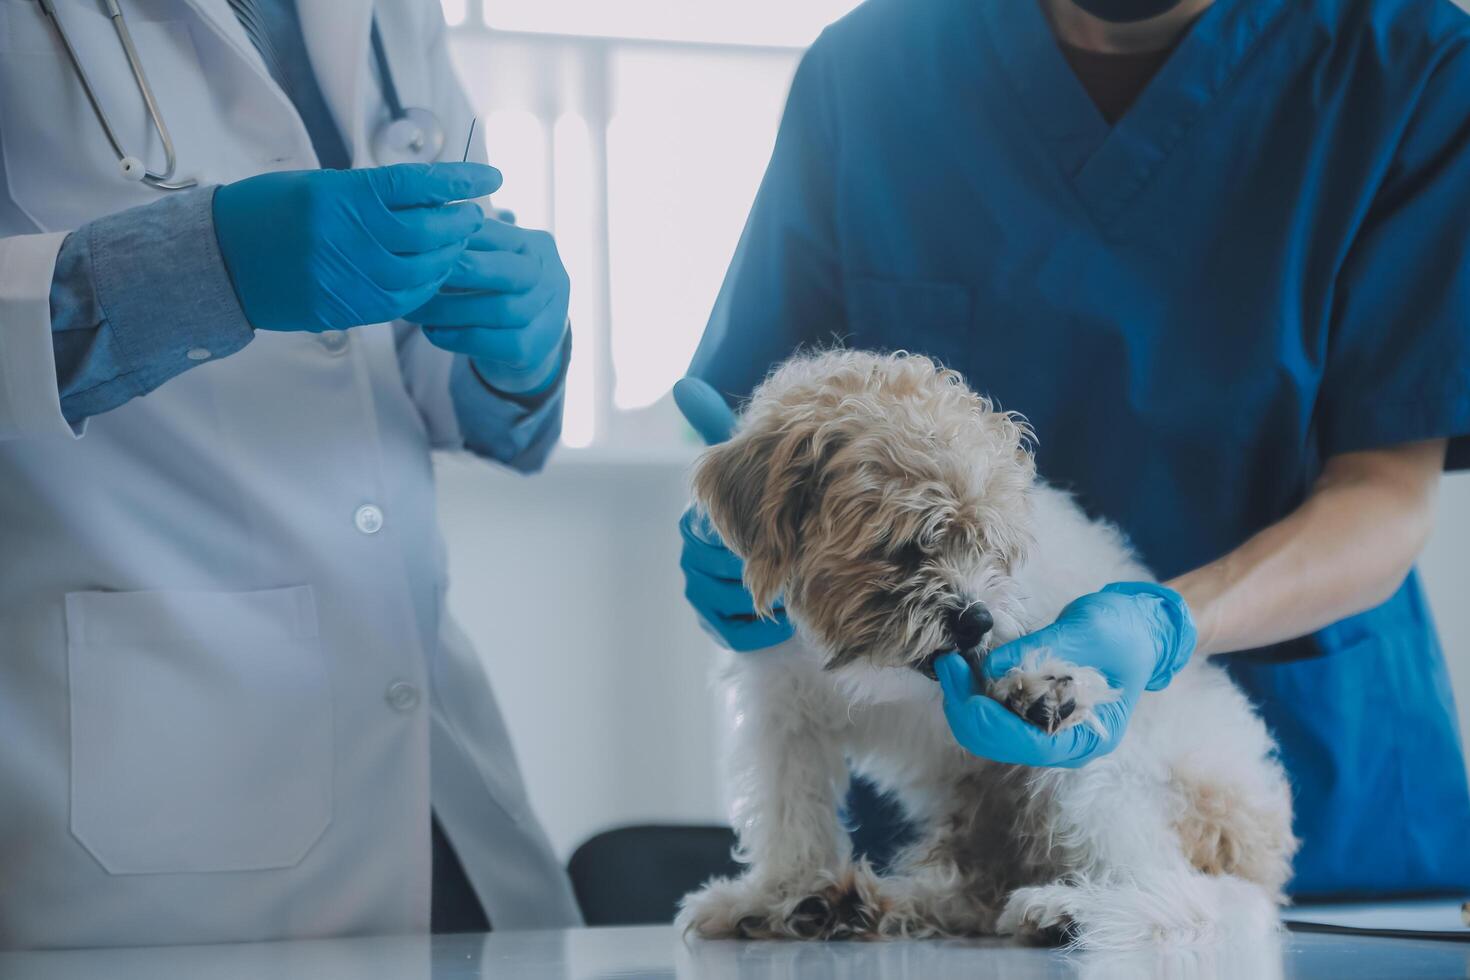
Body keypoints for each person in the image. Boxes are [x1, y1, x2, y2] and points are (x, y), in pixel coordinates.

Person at [679, 0, 1470, 899]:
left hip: (1322, 787)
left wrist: (1167, 626)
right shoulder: (867, 74)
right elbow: (755, 429)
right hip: (954, 803)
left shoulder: (1403, 62)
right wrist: (735, 546)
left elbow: (1385, 493)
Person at [0, 0, 578, 949]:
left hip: (445, 796)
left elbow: (412, 365)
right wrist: (188, 267)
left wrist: (515, 353)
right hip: (141, 823)